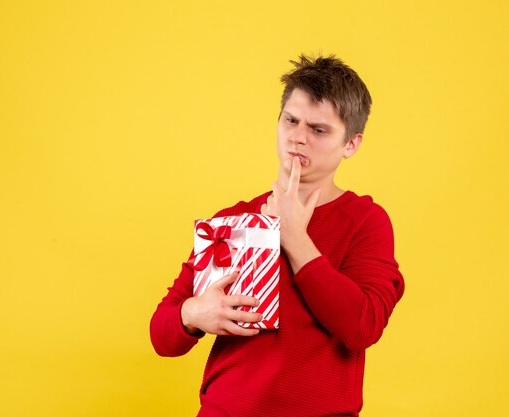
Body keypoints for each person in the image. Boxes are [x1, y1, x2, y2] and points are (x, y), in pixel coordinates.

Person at [150, 53, 405, 417]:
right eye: (291, 121)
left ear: (351, 144)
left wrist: (293, 236)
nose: (298, 137)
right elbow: (162, 335)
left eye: (318, 130)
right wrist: (191, 314)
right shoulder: (232, 220)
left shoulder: (365, 221)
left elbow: (363, 326)